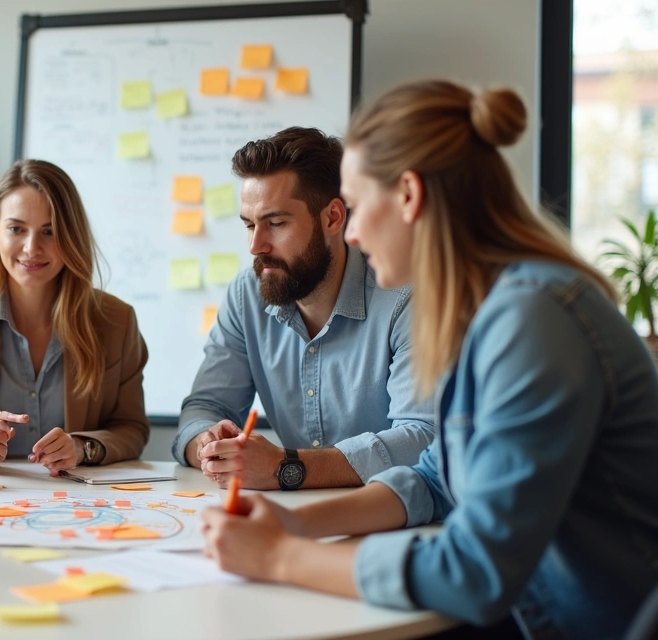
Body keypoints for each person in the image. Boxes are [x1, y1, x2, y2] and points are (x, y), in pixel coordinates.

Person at [200, 80, 658, 639]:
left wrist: (279, 558)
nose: (356, 232)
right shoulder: (488, 310)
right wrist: (293, 522)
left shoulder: (535, 317)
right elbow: (435, 478)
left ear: (410, 196)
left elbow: (477, 572)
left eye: (361, 208)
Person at [174, 127, 435, 490]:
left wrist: (288, 467)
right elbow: (203, 407)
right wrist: (208, 443)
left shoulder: (404, 296)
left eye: (276, 224)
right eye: (249, 225)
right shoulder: (247, 294)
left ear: (332, 218)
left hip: (396, 521)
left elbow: (423, 438)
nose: (255, 245)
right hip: (292, 514)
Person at [0, 159, 150, 474]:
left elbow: (132, 429)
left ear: (71, 238)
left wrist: (82, 447)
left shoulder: (116, 320)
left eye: (49, 232)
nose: (32, 248)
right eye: (16, 229)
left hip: (75, 500)